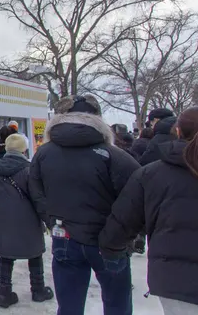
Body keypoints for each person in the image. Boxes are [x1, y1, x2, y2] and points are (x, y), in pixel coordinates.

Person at [100, 106, 198, 315]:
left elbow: (121, 224)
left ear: (178, 132)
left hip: (175, 283)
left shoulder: (151, 175)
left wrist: (111, 249)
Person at [29, 95, 140, 315]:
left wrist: (52, 220)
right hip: (108, 241)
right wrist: (120, 233)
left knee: (69, 305)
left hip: (65, 238)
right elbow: (137, 198)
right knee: (118, 304)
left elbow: (36, 191)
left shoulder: (43, 153)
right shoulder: (114, 155)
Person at [0, 133, 54, 308]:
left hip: (3, 219)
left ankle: (3, 294)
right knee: (35, 254)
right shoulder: (29, 169)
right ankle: (38, 290)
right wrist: (48, 220)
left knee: (6, 255)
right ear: (23, 149)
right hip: (27, 219)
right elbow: (38, 198)